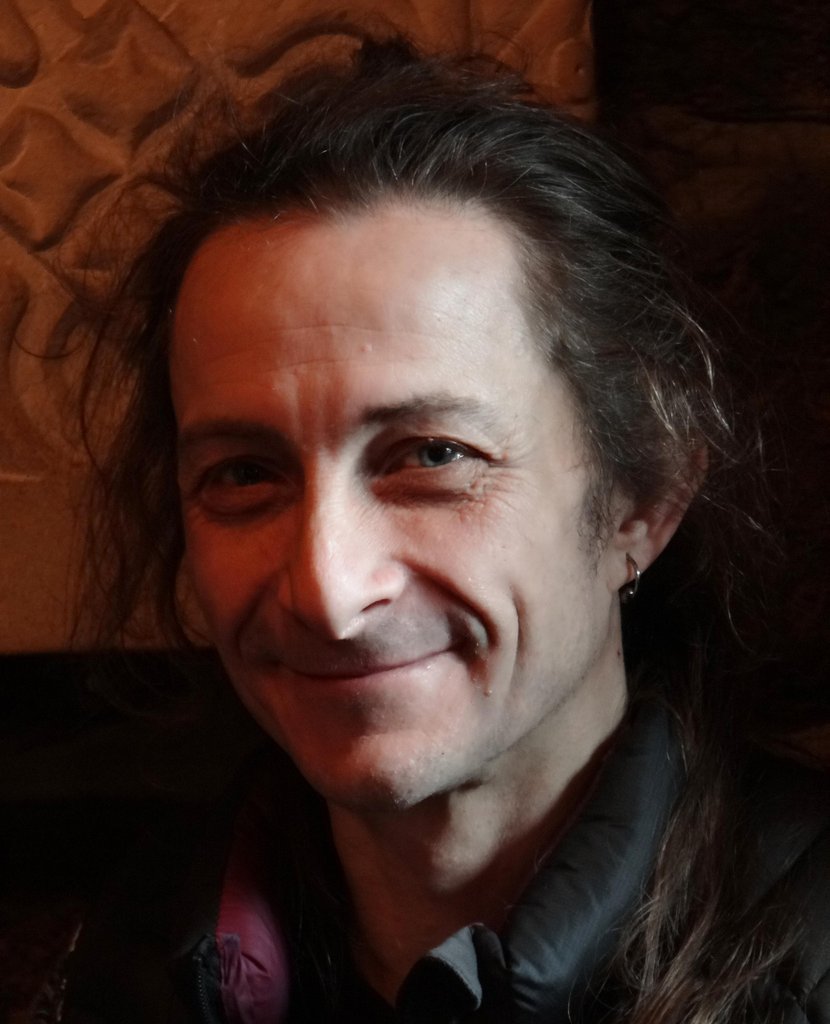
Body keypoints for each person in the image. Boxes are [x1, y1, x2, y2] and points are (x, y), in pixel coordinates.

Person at [62, 37, 829, 1024]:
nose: (328, 590)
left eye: (431, 454)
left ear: (642, 497)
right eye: (244, 475)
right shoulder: (141, 950)